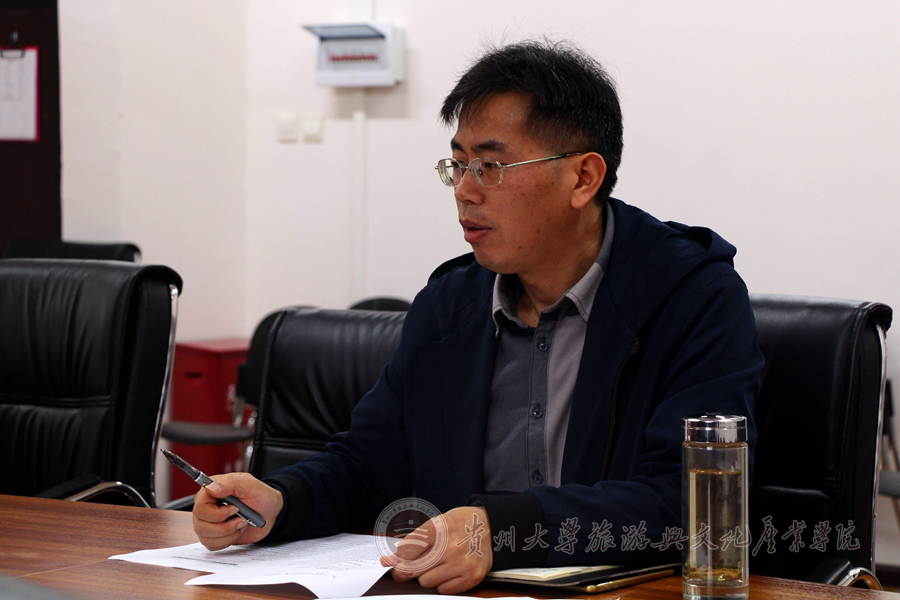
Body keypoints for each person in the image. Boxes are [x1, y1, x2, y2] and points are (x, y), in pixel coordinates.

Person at [193, 40, 763, 594]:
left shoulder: (692, 298)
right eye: (459, 165)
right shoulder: (450, 304)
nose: (464, 191)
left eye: (491, 166)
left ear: (583, 178)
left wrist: (503, 529)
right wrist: (282, 500)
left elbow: (690, 503)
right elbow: (369, 466)